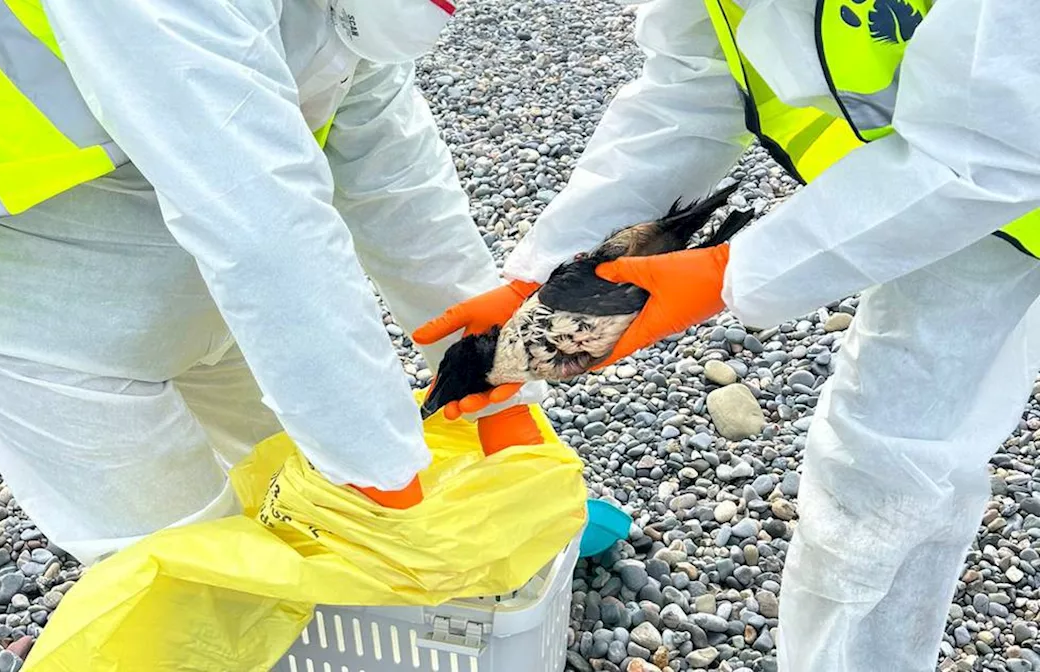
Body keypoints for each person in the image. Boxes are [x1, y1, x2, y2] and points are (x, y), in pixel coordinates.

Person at [0, 0, 550, 567]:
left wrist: (499, 387)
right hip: (21, 292)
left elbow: (397, 180)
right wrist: (380, 464)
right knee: (193, 568)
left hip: (192, 280)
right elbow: (262, 222)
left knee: (302, 505)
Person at [414, 0, 1040, 669]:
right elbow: (692, 84)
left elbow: (996, 149)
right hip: (956, 167)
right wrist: (546, 271)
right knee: (887, 467)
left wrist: (731, 270)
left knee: (890, 467)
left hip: (1006, 186)